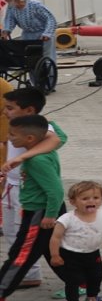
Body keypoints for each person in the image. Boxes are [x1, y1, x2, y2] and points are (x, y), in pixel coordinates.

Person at [0, 88, 65, 292]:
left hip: (32, 198)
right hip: (13, 188)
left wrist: (22, 158)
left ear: (29, 110)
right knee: (16, 235)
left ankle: (82, 279)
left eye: (10, 108)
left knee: (26, 245)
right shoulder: (19, 129)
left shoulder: (42, 134)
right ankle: (78, 279)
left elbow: (57, 139)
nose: (5, 112)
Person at [49, 181, 102, 301]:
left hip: (93, 254)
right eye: (85, 199)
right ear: (73, 202)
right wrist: (55, 255)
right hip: (71, 256)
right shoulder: (67, 219)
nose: (91, 201)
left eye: (96, 198)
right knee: (72, 281)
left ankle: (92, 297)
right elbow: (55, 237)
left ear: (101, 199)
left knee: (96, 277)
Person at [0, 0, 57, 66]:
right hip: (27, 34)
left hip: (42, 32)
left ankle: (49, 76)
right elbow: (9, 20)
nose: (7, 3)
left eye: (8, 0)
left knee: (46, 56)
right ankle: (34, 78)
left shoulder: (35, 5)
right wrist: (6, 31)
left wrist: (47, 33)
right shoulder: (11, 7)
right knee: (30, 59)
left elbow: (50, 19)